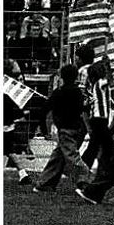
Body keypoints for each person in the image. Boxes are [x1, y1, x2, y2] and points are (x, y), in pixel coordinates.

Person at [33, 64, 91, 192]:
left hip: (64, 128)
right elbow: (83, 109)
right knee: (58, 156)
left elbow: (44, 110)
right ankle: (45, 182)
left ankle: (85, 179)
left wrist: (44, 129)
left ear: (61, 77)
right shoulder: (78, 92)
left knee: (71, 156)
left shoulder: (58, 92)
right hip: (77, 127)